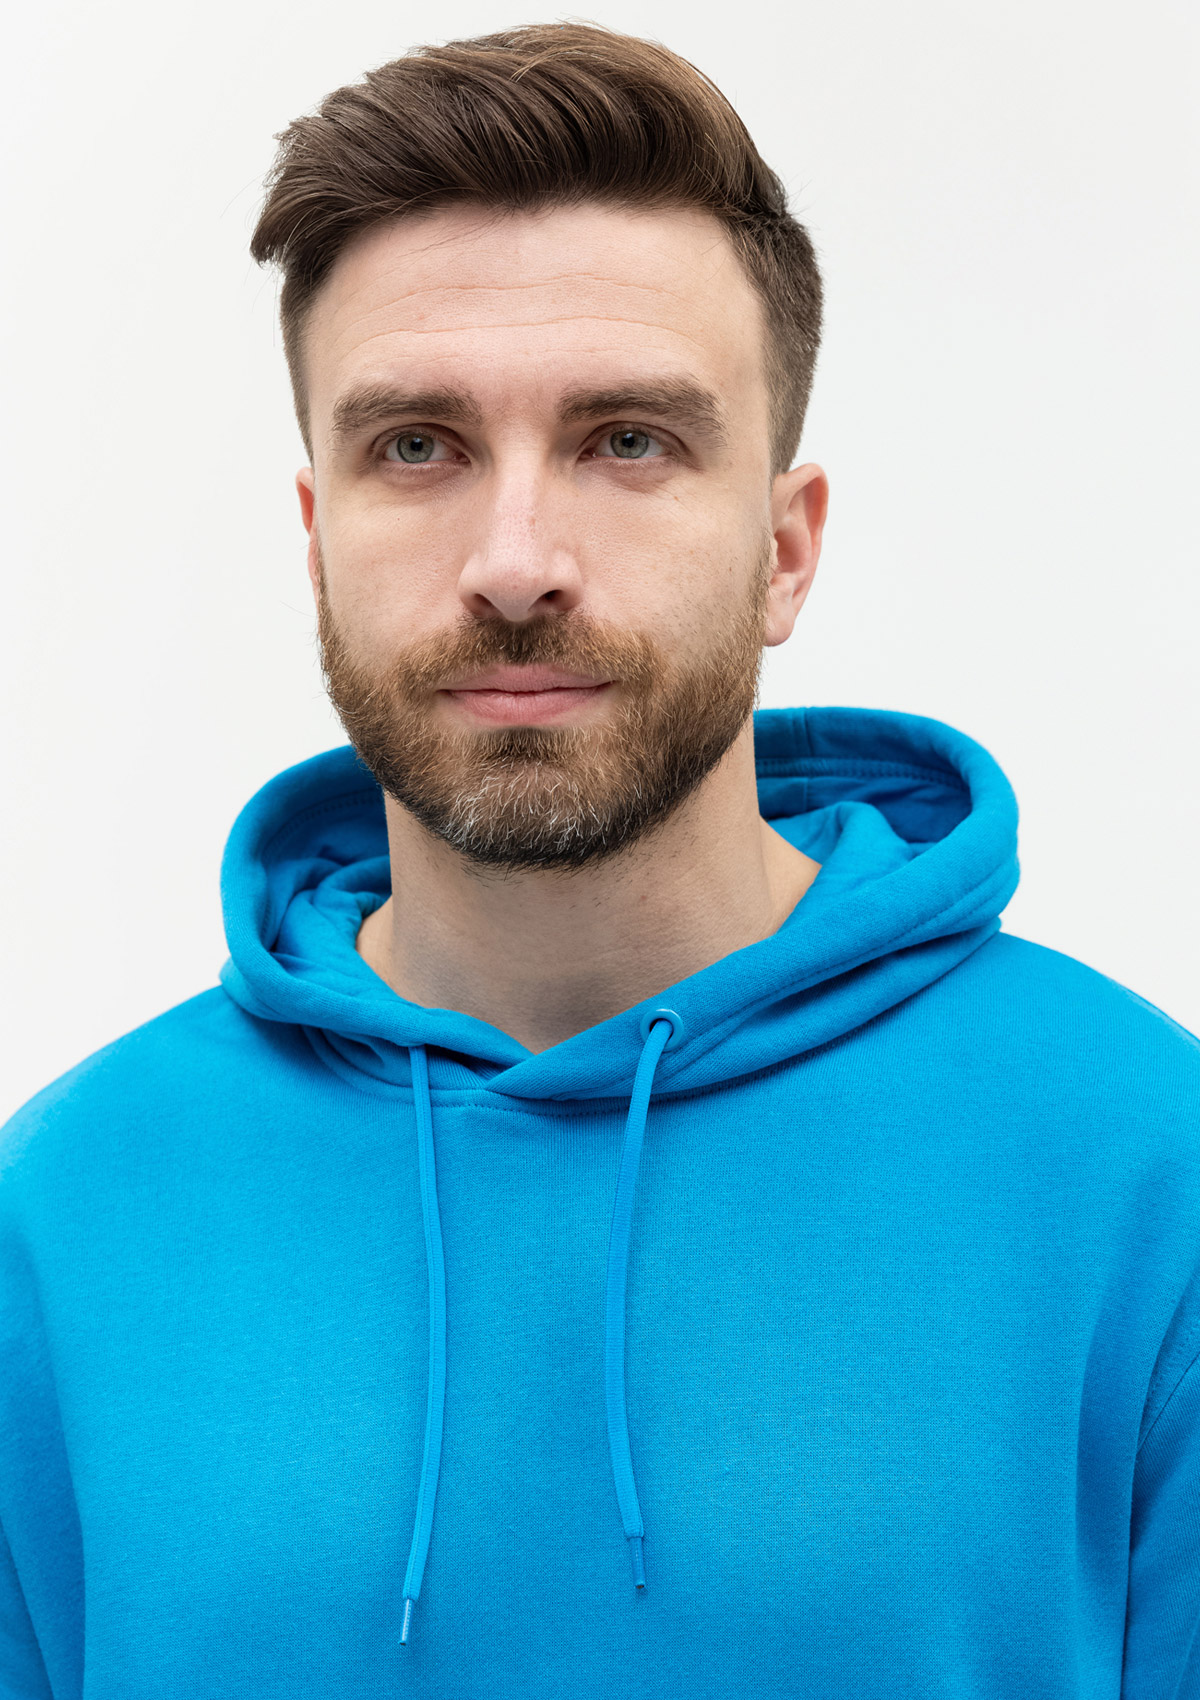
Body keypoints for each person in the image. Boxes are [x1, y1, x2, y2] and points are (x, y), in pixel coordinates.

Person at [1, 21, 1197, 1698]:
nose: (514, 561)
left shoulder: (1148, 1170)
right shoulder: (60, 1219)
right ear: (318, 539)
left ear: (785, 550)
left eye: (627, 439)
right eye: (416, 446)